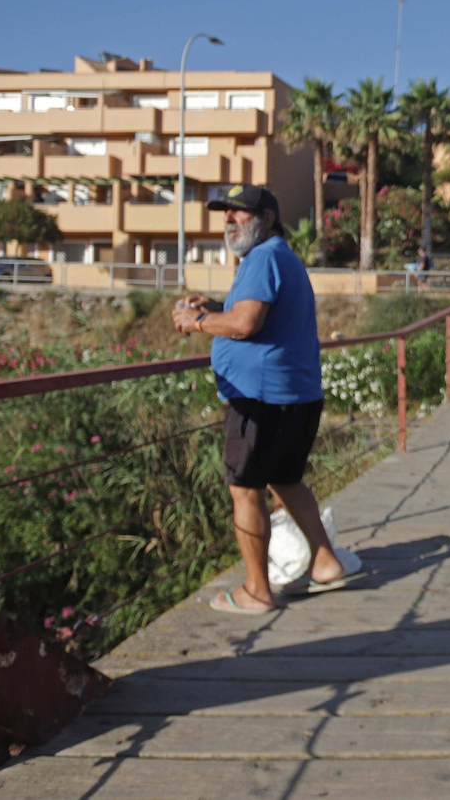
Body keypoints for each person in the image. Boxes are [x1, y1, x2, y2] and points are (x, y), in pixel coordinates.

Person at [170, 184, 359, 614]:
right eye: (226, 214)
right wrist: (218, 304)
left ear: (267, 219)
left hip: (261, 399)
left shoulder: (262, 257)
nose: (229, 220)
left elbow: (245, 324)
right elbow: (256, 313)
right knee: (286, 480)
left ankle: (257, 591)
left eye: (240, 213)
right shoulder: (279, 258)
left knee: (245, 489)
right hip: (295, 395)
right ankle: (326, 562)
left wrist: (197, 320)